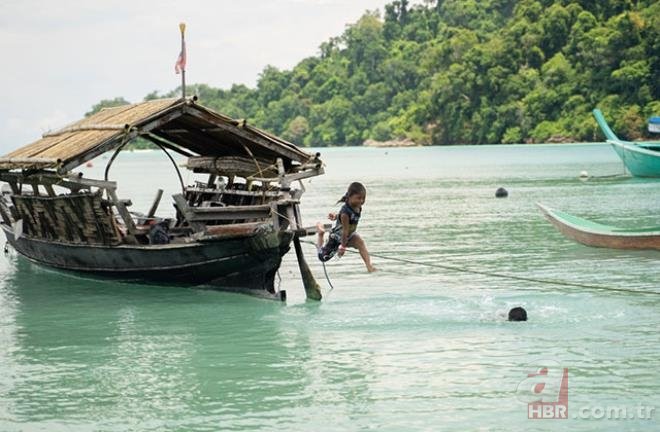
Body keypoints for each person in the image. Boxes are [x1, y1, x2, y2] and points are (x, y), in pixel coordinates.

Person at [316, 182, 376, 272]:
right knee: (322, 257)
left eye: (363, 198)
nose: (361, 201)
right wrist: (342, 247)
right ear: (349, 197)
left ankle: (369, 266)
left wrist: (336, 216)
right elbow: (344, 231)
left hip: (349, 235)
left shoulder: (358, 207)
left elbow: (346, 220)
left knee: (360, 243)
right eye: (359, 198)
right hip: (338, 237)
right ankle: (321, 233)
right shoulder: (345, 212)